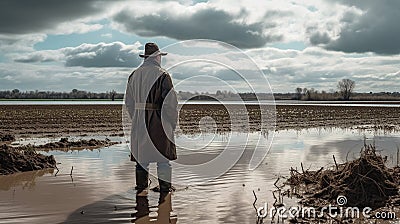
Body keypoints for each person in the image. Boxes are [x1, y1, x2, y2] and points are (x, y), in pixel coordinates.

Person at [125, 42, 178, 196]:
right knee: (163, 160)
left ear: (145, 57)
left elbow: (129, 103)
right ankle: (165, 191)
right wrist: (172, 123)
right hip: (159, 122)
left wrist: (136, 118)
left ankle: (141, 191)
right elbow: (170, 104)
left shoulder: (133, 75)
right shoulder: (163, 75)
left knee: (141, 160)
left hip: (138, 121)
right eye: (160, 56)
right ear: (157, 57)